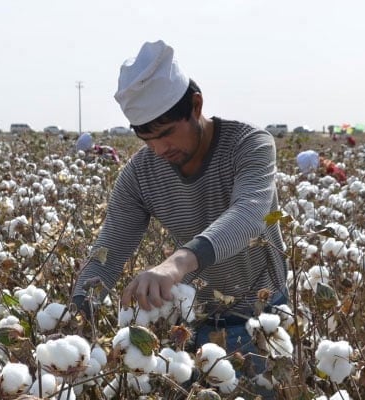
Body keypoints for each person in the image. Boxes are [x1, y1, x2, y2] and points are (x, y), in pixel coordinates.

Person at [71, 40, 287, 372]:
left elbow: (249, 215)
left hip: (265, 317)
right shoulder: (140, 175)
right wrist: (76, 313)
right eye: (147, 139)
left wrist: (175, 264)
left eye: (167, 133)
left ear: (196, 106)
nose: (159, 149)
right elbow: (109, 251)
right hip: (196, 321)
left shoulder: (249, 145)